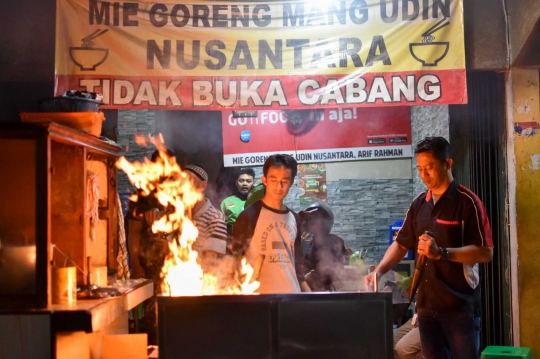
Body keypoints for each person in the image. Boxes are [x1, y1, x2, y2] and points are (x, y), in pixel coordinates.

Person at [364, 136, 494, 359]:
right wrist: (379, 271)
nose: (424, 175)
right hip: (426, 307)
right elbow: (401, 244)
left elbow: (485, 252)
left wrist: (441, 253)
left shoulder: (467, 202)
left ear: (448, 164)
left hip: (458, 306)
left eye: (430, 167)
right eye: (420, 169)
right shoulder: (419, 205)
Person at [227, 154, 311, 293]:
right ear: (264, 180)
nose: (279, 186)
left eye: (285, 180)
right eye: (273, 180)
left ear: (292, 182)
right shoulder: (248, 217)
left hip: (292, 297)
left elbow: (298, 271)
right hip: (259, 301)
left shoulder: (294, 218)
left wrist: (310, 300)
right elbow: (234, 263)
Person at [127, 148, 175, 345]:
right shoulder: (142, 196)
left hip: (174, 262)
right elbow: (133, 234)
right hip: (149, 266)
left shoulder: (179, 192)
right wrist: (136, 264)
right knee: (152, 314)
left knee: (173, 311)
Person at [183, 164, 228, 273]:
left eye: (189, 182)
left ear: (202, 186)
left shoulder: (215, 218)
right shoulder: (179, 215)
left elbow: (210, 264)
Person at [299, 201, 347, 291]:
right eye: (309, 219)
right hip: (306, 291)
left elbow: (335, 272)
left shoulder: (334, 242)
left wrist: (311, 276)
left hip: (324, 292)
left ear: (325, 221)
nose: (311, 222)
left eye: (315, 219)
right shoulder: (306, 242)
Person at [220, 168, 256, 234]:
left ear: (253, 183)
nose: (244, 184)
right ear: (236, 183)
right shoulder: (226, 202)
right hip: (232, 240)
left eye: (248, 181)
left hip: (253, 239)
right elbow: (220, 225)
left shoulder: (259, 201)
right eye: (241, 181)